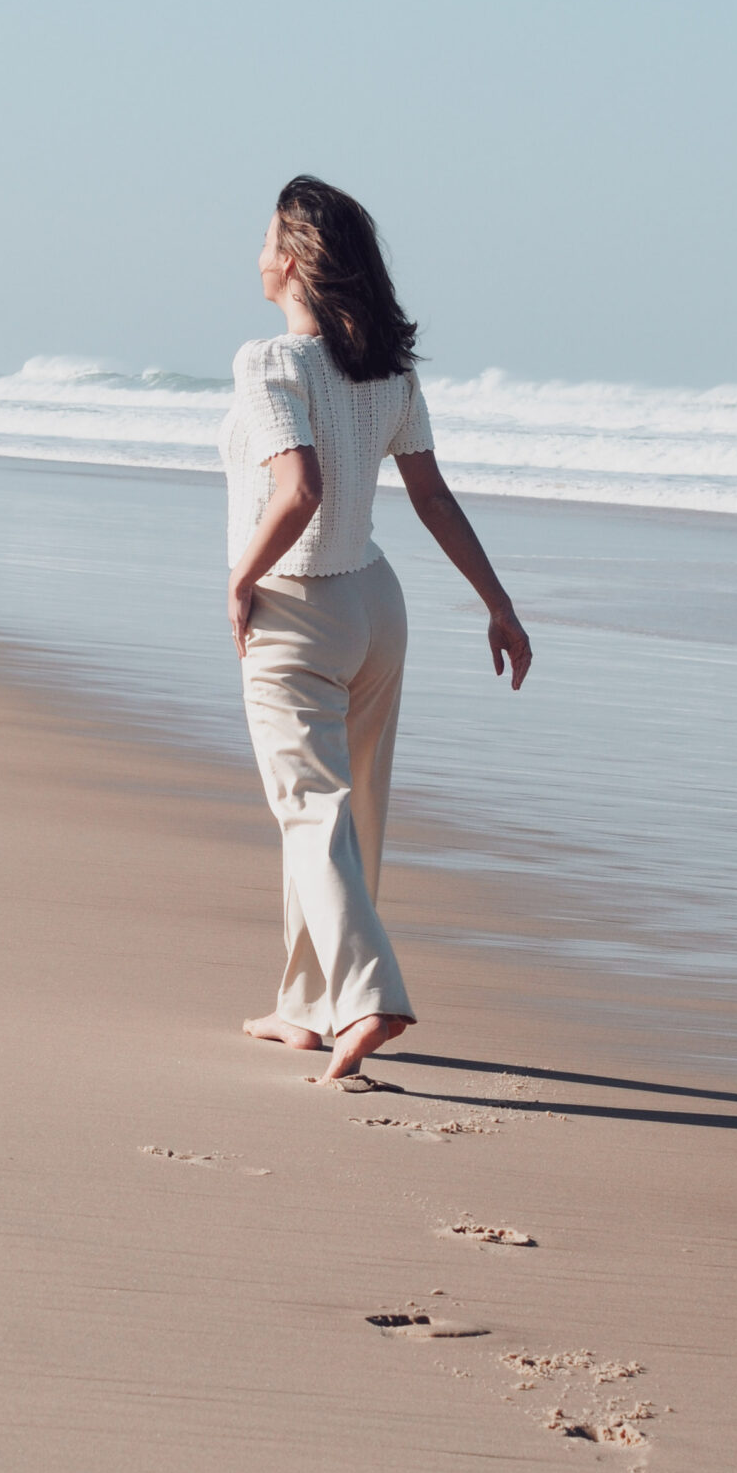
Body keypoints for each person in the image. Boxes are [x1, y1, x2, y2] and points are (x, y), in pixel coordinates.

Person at [223, 176, 533, 1083]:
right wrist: (498, 604)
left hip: (294, 606)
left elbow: (299, 491)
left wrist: (239, 579)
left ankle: (369, 997)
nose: (254, 255)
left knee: (311, 813)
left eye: (263, 240)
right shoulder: (387, 371)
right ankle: (301, 1008)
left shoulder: (269, 363)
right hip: (374, 606)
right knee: (348, 814)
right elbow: (430, 496)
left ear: (290, 259)